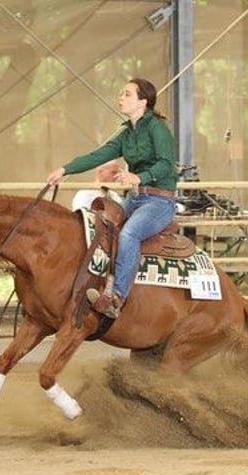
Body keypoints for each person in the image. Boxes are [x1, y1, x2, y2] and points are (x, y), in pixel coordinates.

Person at [47, 77, 177, 318]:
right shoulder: (126, 133)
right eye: (122, 94)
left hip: (159, 201)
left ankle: (116, 297)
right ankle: (95, 284)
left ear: (143, 102)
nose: (121, 98)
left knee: (129, 234)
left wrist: (139, 177)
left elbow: (167, 165)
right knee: (101, 229)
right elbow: (97, 156)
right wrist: (65, 170)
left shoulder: (158, 129)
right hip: (136, 199)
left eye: (127, 94)